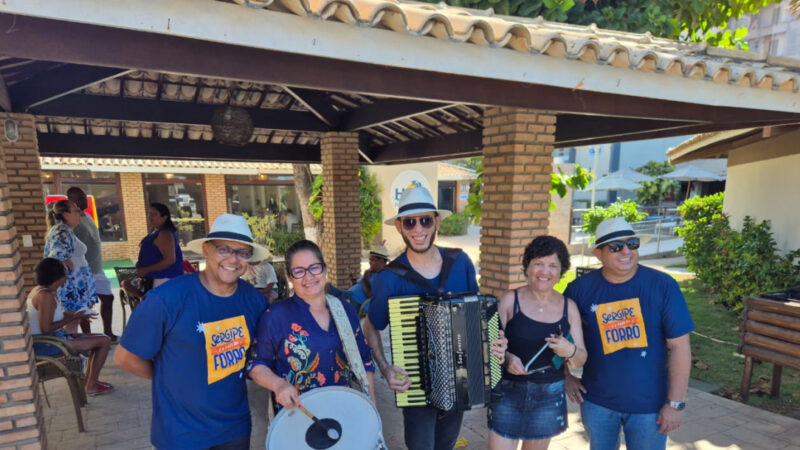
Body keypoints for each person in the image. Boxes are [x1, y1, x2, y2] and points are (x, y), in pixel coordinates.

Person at [362, 186, 507, 450]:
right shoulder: (389, 278)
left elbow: (478, 316)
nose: (418, 229)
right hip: (417, 387)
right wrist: (385, 367)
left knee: (446, 446)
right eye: (410, 222)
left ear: (437, 221)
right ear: (399, 226)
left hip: (460, 379)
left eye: (425, 220)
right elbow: (370, 326)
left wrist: (497, 343)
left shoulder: (460, 262)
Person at [114, 214, 270, 449]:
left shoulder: (254, 301)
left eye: (242, 252)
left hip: (235, 428)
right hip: (181, 432)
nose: (233, 259)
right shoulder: (166, 299)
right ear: (206, 250)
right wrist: (173, 379)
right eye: (224, 249)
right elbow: (125, 358)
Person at [563, 217, 694, 450]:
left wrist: (675, 404)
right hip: (597, 402)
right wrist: (566, 376)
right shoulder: (580, 289)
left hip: (650, 405)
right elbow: (555, 334)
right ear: (598, 254)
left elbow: (680, 347)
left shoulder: (663, 285)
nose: (626, 251)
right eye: (615, 247)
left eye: (632, 243)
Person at [248, 240, 376, 410]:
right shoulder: (276, 316)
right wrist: (278, 385)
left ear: (324, 269)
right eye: (299, 271)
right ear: (289, 276)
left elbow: (365, 361)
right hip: (297, 417)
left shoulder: (344, 309)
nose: (308, 277)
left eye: (314, 267)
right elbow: (256, 364)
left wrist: (372, 407)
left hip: (344, 412)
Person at [488, 236, 587, 450]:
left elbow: (580, 360)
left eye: (553, 265)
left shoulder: (568, 308)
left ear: (561, 270)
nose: (545, 272)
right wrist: (507, 358)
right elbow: (490, 348)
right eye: (538, 264)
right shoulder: (509, 301)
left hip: (549, 395)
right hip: (508, 392)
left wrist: (569, 350)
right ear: (527, 266)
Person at [28, 258, 113, 396]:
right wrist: (74, 317)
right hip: (48, 344)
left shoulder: (43, 291)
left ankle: (90, 382)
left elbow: (55, 316)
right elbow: (46, 328)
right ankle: (90, 386)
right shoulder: (45, 296)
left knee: (102, 338)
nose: (67, 276)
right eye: (65, 272)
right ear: (58, 276)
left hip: (55, 338)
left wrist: (77, 314)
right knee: (104, 341)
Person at [67, 187, 117, 341]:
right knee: (85, 307)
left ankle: (108, 333)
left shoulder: (87, 216)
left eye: (84, 197)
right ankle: (88, 336)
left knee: (108, 299)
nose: (84, 200)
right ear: (71, 201)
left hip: (97, 269)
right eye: (80, 198)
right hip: (83, 271)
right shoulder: (72, 221)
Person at [44, 200, 98, 334]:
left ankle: (74, 351)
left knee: (74, 321)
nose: (79, 213)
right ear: (66, 214)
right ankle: (71, 352)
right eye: (76, 210)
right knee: (72, 321)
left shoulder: (65, 230)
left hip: (75, 285)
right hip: (72, 287)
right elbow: (55, 257)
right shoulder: (61, 231)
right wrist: (70, 268)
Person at [122, 203, 183, 301]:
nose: (150, 217)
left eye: (154, 214)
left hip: (163, 279)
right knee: (125, 282)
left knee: (160, 312)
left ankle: (145, 300)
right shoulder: (156, 232)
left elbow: (170, 260)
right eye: (149, 214)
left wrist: (146, 269)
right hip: (151, 278)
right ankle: (143, 299)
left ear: (164, 217)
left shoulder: (165, 233)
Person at [347, 244, 390, 309]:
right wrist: (354, 281)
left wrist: (365, 278)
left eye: (372, 260)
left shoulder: (384, 276)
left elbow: (371, 296)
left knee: (330, 290)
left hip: (358, 304)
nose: (369, 262)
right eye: (369, 260)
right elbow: (359, 287)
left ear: (381, 261)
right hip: (350, 297)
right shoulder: (371, 272)